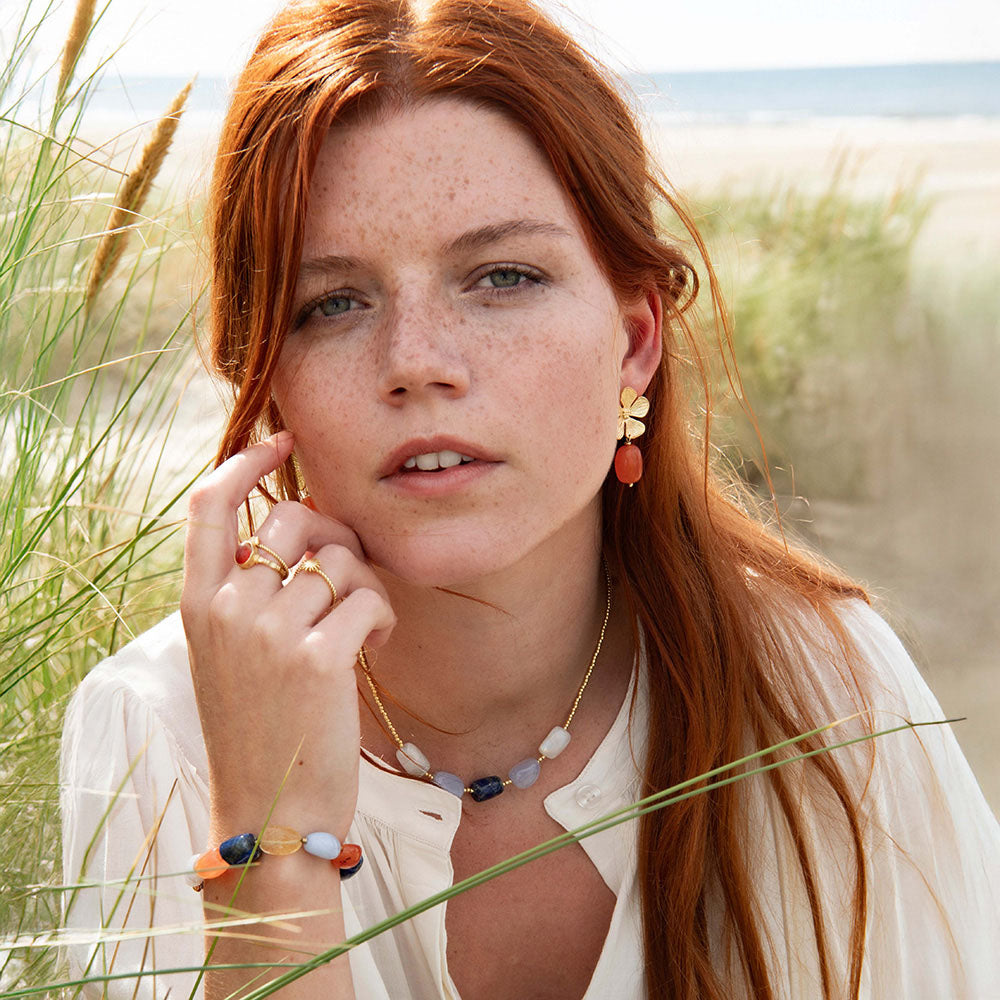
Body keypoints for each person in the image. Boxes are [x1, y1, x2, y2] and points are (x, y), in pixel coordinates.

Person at [60, 0, 1000, 998]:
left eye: (501, 276)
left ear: (633, 341)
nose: (416, 362)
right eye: (333, 301)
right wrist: (271, 843)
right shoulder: (158, 731)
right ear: (265, 374)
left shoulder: (823, 687)